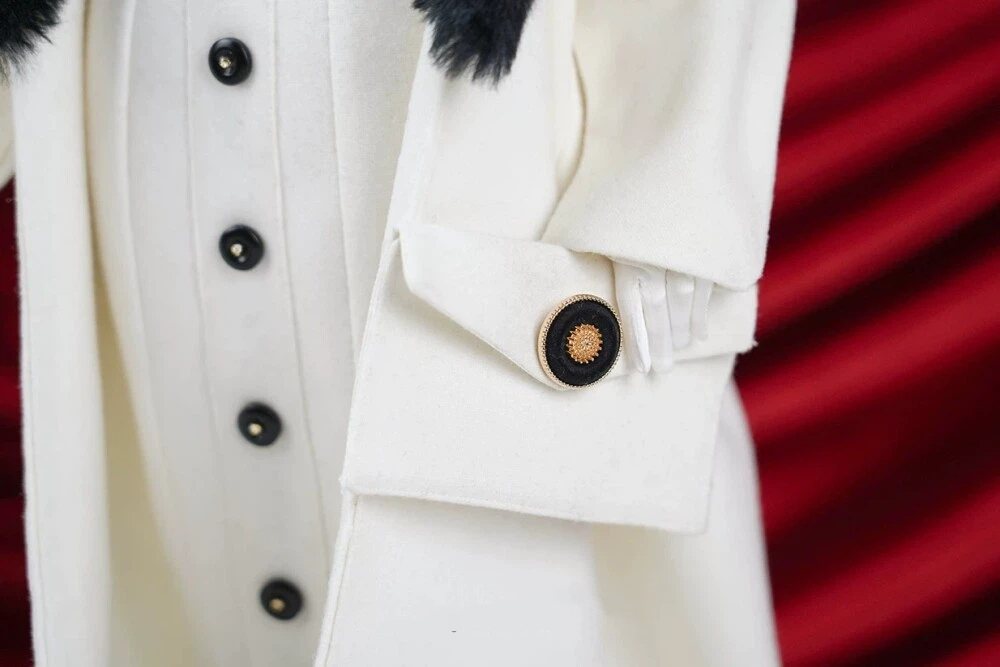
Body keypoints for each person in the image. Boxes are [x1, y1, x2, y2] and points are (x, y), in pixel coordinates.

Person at [2, 0, 795, 664]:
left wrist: (669, 171)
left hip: (447, 101)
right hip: (149, 103)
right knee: (204, 551)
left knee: (511, 576)